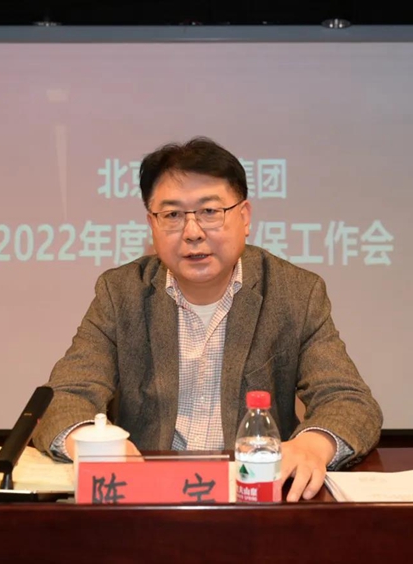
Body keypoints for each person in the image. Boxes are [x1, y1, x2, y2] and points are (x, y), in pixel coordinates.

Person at [33, 137, 382, 502]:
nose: (193, 232)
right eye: (172, 215)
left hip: (253, 500)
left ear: (244, 217)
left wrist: (314, 445)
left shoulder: (294, 292)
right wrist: (93, 444)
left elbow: (349, 400)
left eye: (210, 211)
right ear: (151, 224)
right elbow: (63, 397)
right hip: (147, 500)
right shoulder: (121, 293)